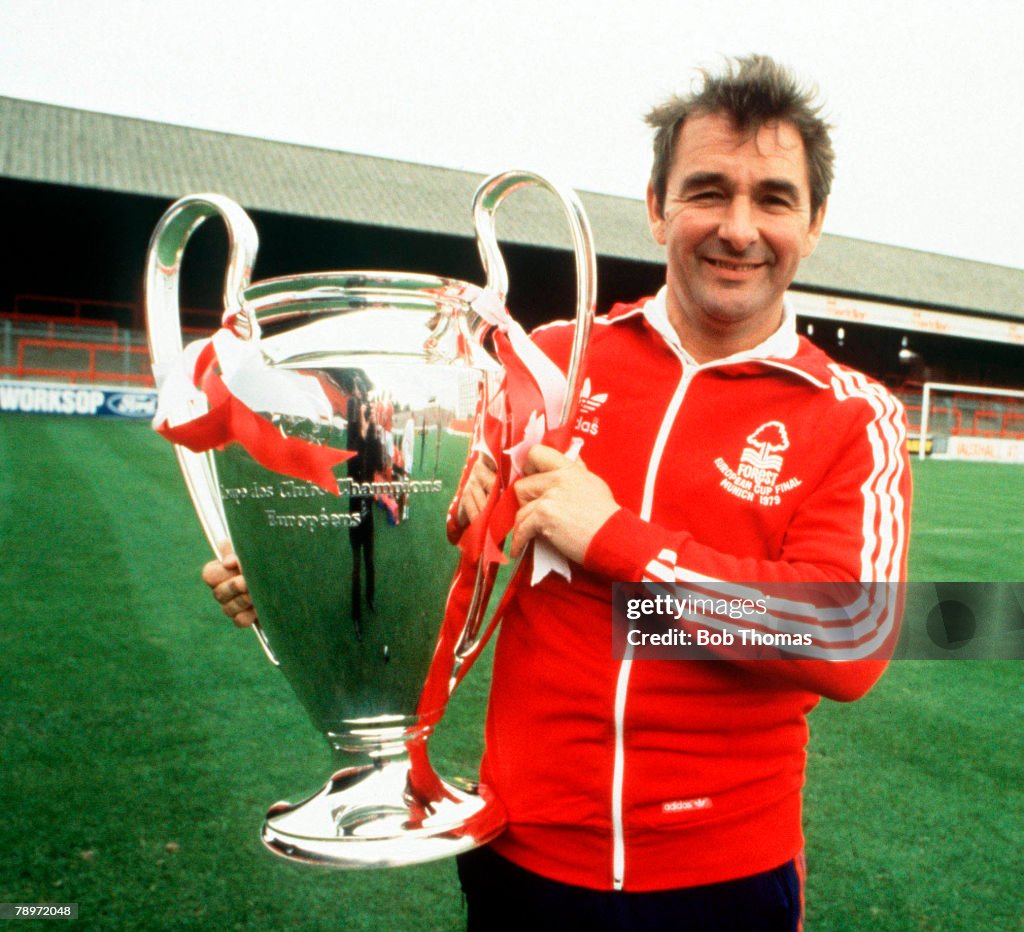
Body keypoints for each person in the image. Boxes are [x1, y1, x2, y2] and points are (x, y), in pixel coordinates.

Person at [204, 55, 911, 931]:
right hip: (523, 860)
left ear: (814, 223)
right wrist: (302, 562)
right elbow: (446, 537)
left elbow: (848, 637)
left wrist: (618, 540)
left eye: (773, 198)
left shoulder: (853, 416)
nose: (738, 227)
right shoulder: (546, 361)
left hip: (724, 879)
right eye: (707, 191)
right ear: (657, 209)